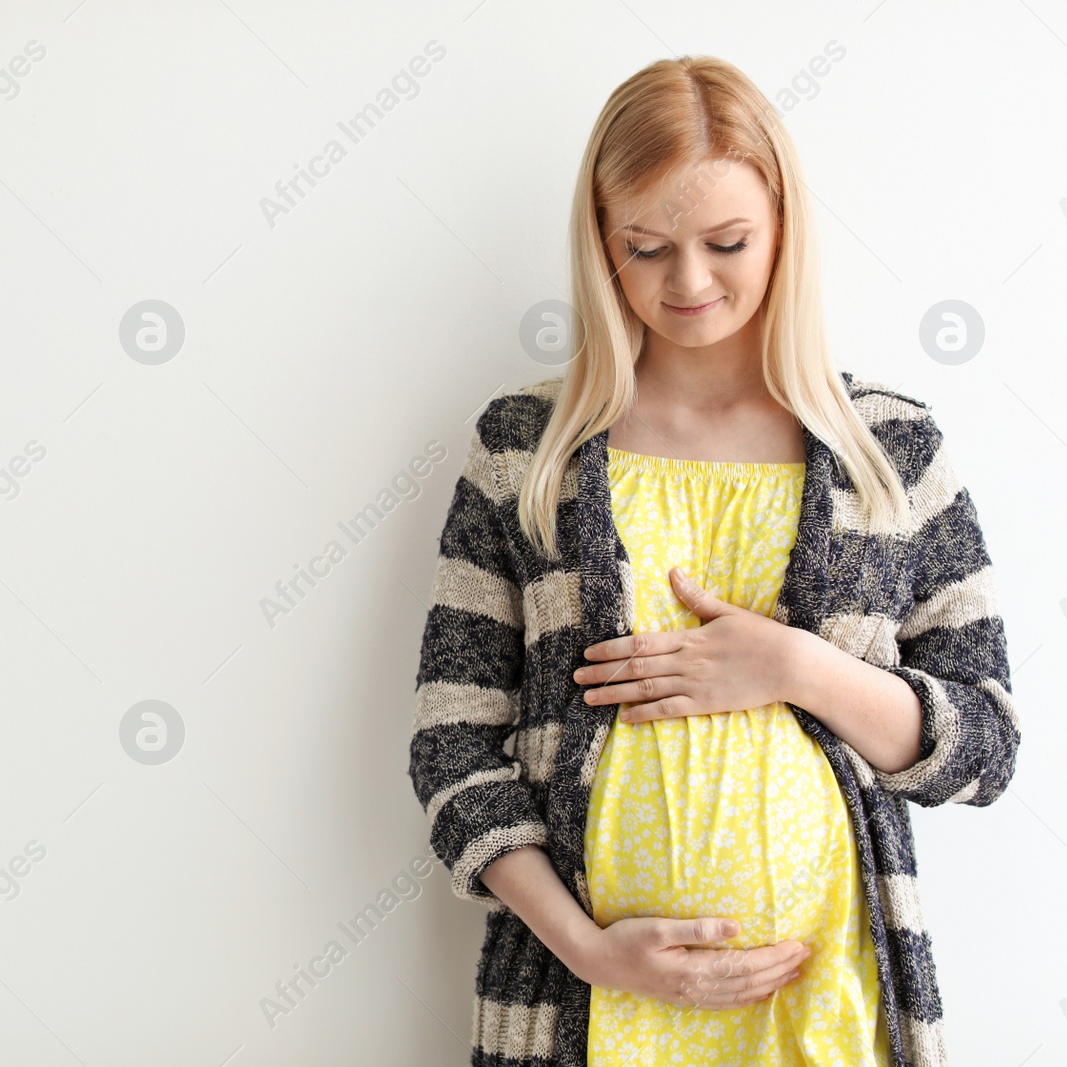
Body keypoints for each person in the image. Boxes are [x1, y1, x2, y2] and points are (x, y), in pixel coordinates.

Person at [407, 55, 1018, 1067]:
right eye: (644, 248)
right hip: (586, 1006)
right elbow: (451, 747)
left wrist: (797, 667)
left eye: (726, 242)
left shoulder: (890, 449)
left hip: (825, 999)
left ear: (783, 227)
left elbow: (986, 747)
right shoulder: (528, 448)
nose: (687, 282)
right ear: (601, 245)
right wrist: (590, 950)